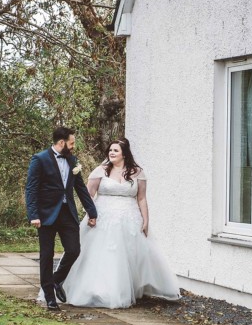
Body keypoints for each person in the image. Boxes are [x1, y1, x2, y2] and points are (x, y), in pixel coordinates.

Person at [61, 137, 180, 308]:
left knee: (130, 254)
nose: (111, 153)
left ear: (124, 154)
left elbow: (141, 198)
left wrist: (146, 220)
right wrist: (90, 215)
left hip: (129, 217)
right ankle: (99, 290)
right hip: (103, 217)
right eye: (110, 150)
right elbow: (88, 195)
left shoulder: (137, 172)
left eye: (115, 150)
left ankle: (127, 288)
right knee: (102, 254)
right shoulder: (100, 171)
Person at [25, 126, 98, 311]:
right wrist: (33, 215)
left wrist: (92, 211)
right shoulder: (39, 159)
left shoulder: (72, 160)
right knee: (46, 256)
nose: (73, 147)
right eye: (71, 143)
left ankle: (55, 281)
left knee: (74, 250)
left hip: (67, 213)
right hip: (46, 215)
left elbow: (80, 187)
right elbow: (31, 189)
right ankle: (50, 297)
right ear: (61, 142)